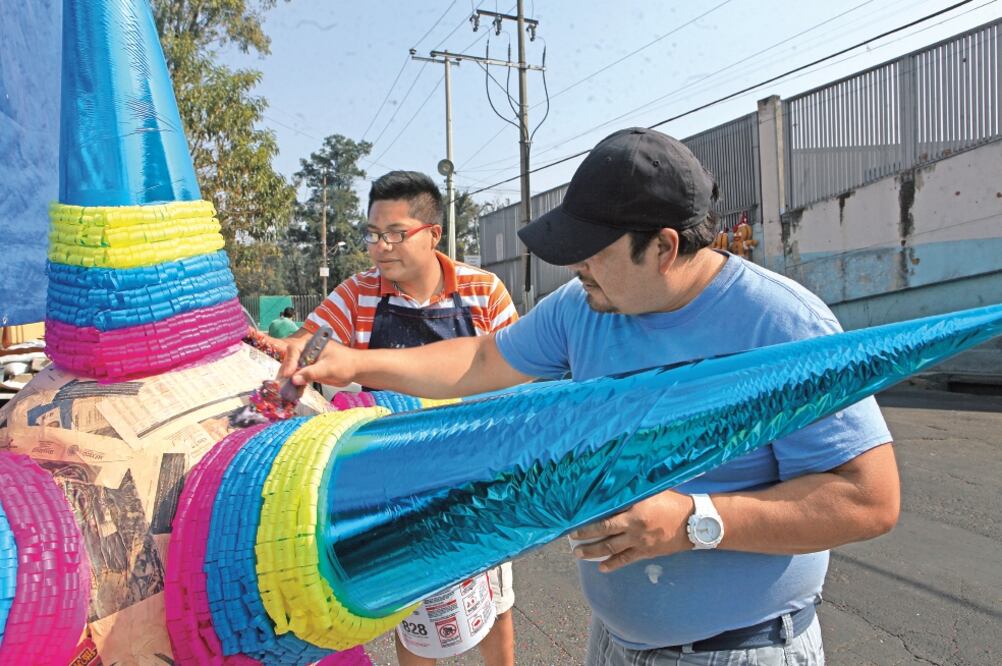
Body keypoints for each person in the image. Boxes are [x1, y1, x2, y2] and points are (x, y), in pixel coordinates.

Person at [282, 129, 900, 665]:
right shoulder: (587, 306)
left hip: (741, 648)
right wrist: (353, 362)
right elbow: (482, 358)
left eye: (592, 251)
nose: (575, 266)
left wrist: (696, 522)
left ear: (663, 246)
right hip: (615, 638)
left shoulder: (779, 326)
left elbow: (869, 499)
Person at [283, 170, 518, 666]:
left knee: (495, 602)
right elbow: (311, 341)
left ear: (433, 234)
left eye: (394, 234)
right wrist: (294, 354)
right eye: (372, 234)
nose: (380, 247)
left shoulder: (484, 291)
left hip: (476, 471)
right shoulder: (357, 295)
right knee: (409, 612)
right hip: (391, 483)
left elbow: (516, 376)